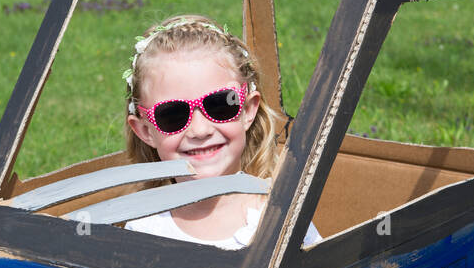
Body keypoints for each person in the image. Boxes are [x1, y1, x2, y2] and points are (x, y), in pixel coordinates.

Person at [121, 14, 323, 250]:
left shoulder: (284, 220)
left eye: (219, 105)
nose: (200, 130)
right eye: (172, 115)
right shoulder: (144, 230)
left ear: (248, 110)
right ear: (145, 131)